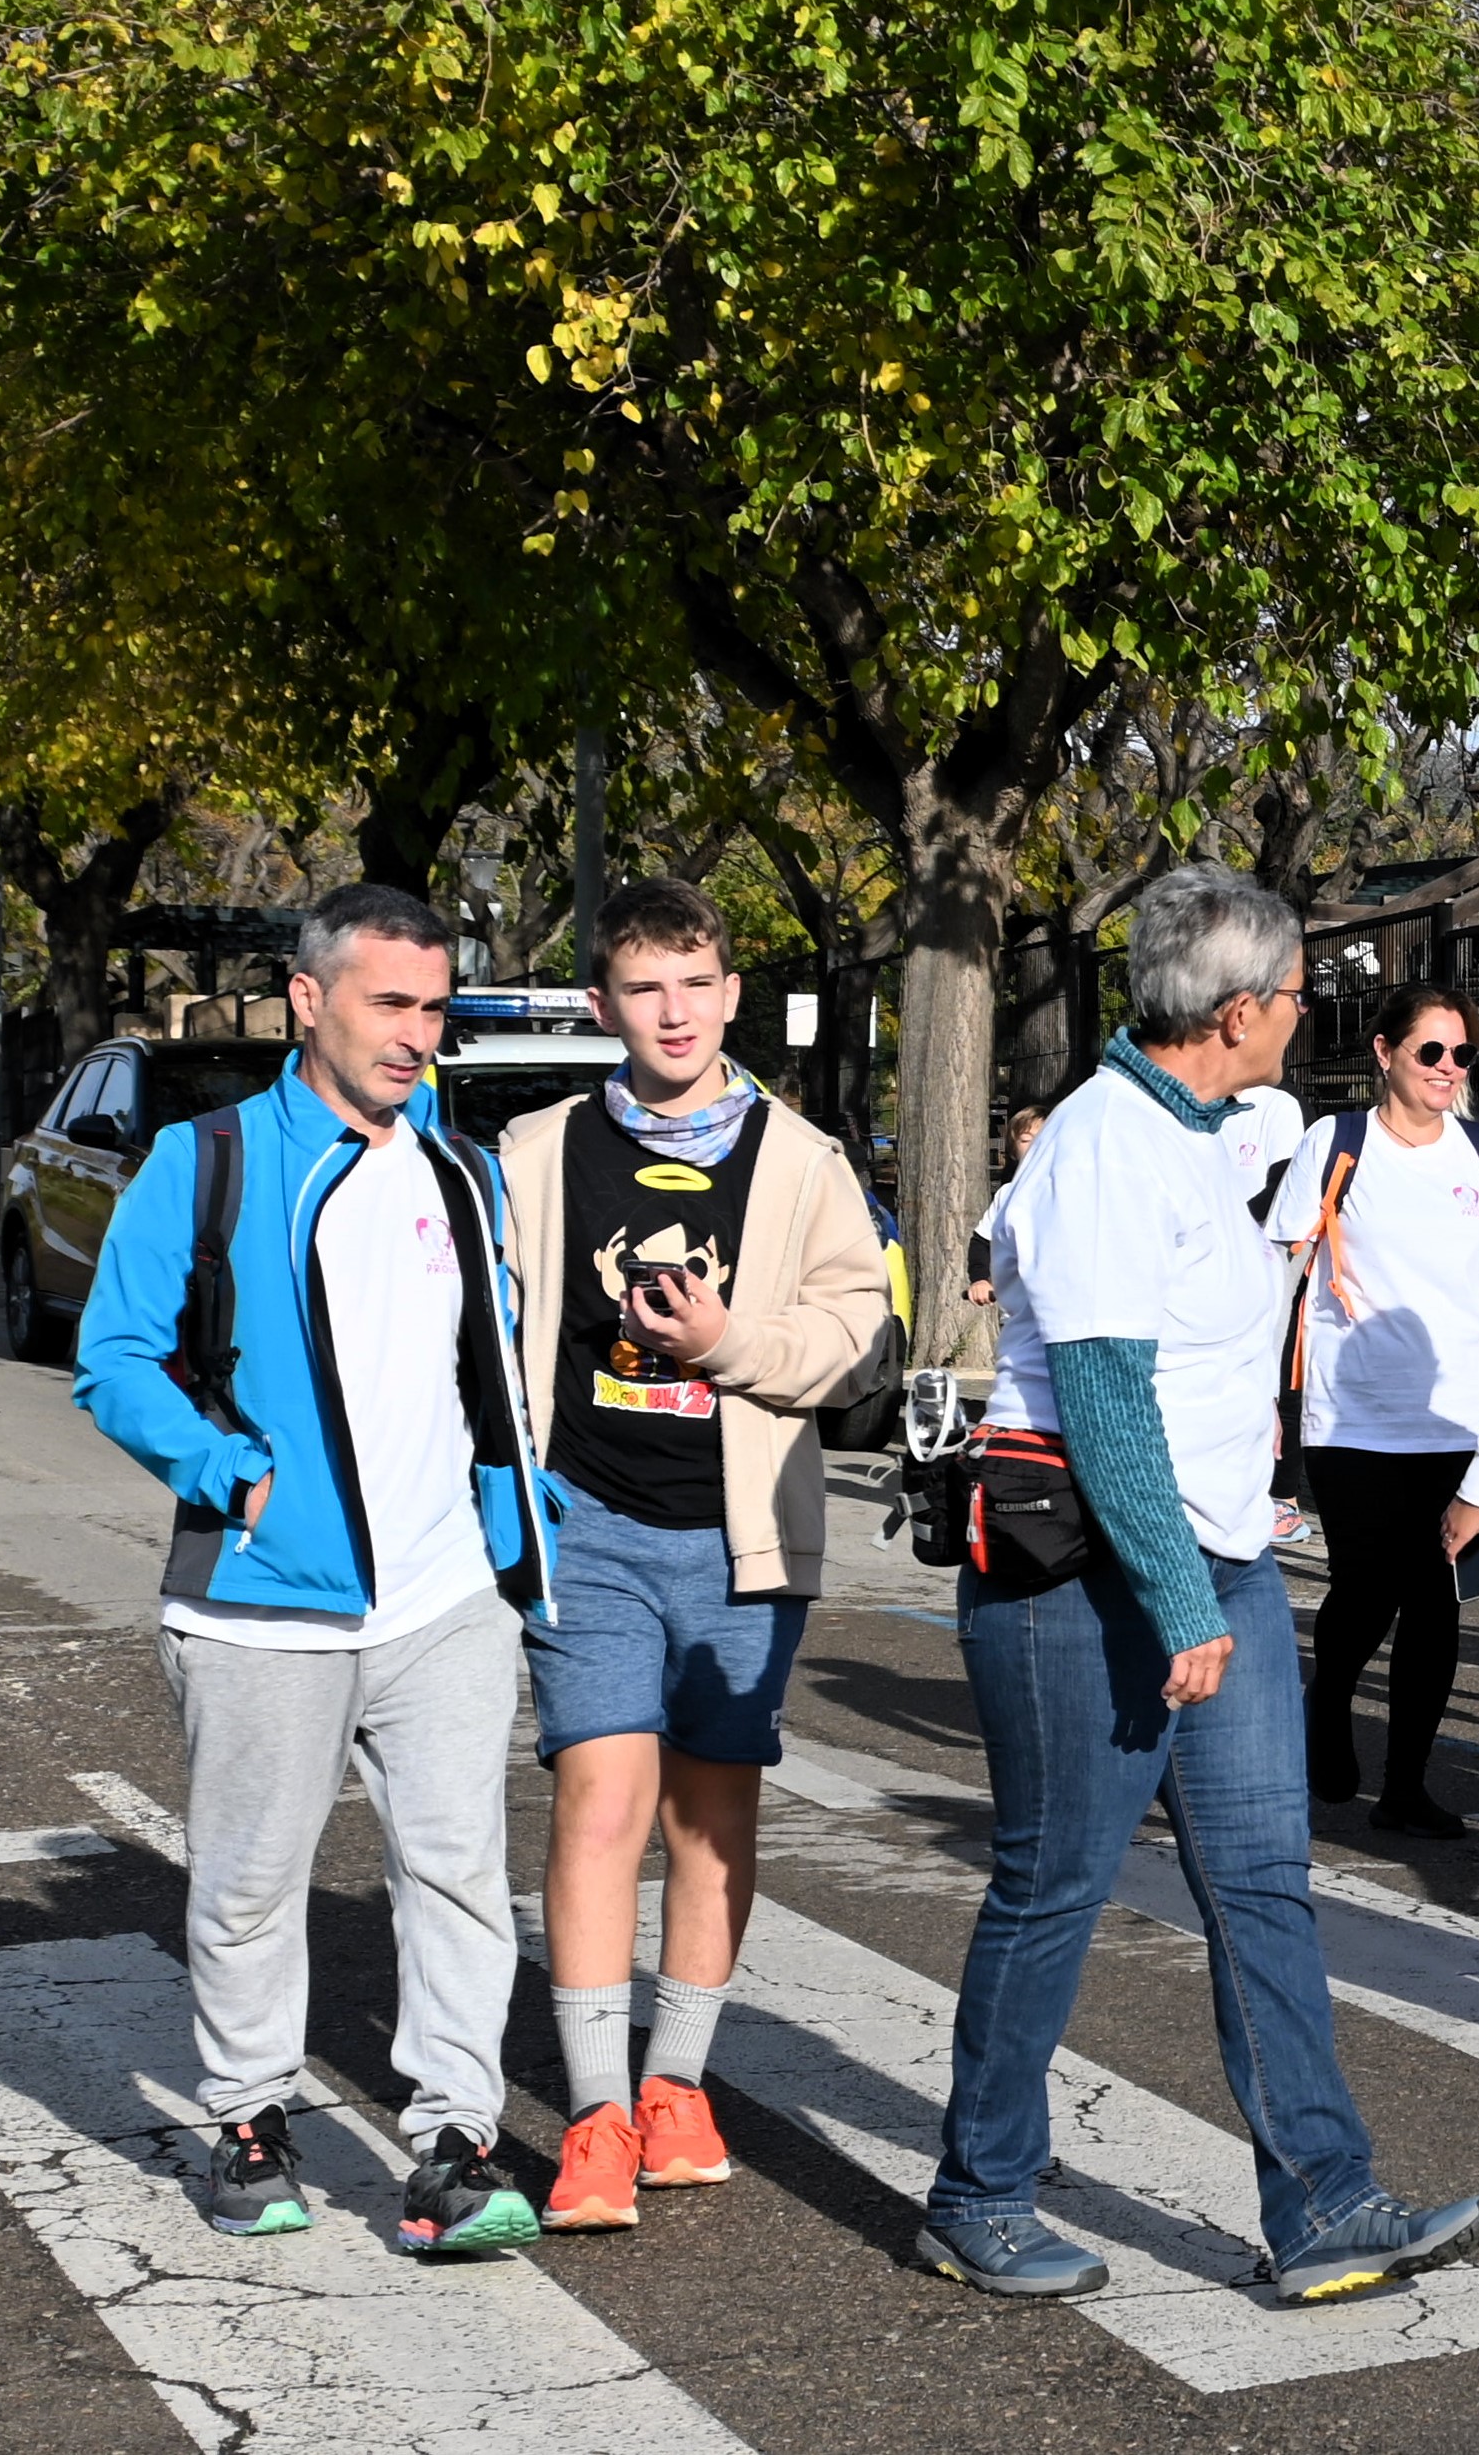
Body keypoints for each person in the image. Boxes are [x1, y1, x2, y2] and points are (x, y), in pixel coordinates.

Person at [926, 864, 1479, 2301]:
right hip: (1091, 1585)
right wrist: (1181, 1602)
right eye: (1296, 995)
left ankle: (1324, 2201)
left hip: (1208, 1565)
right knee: (1054, 1890)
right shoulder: (1110, 1144)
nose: (1307, 1016)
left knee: (1261, 1891)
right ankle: (978, 2191)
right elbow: (1106, 1401)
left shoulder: (1190, 1130)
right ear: (1235, 1010)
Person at [75, 883, 558, 2255]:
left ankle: (453, 2147)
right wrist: (233, 1471)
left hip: (445, 1595)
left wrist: (525, 1526)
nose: (420, 1033)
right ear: (311, 1000)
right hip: (261, 1604)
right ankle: (247, 2120)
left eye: (435, 1006)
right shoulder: (208, 1159)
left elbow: (490, 1381)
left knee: (459, 1873)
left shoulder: (460, 1173)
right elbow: (111, 1359)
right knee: (246, 1883)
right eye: (391, 1004)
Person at [499, 877, 899, 2231]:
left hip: (743, 1535)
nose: (672, 1012)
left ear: (731, 994)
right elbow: (487, 1327)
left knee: (711, 1821)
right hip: (587, 1524)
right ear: (604, 1003)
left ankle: (680, 2085)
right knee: (599, 1802)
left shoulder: (802, 1160)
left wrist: (726, 1346)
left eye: (695, 983)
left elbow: (855, 1333)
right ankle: (598, 2114)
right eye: (643, 988)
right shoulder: (539, 1149)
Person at [1266, 981, 1479, 1837]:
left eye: (1462, 1054)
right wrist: (1257, 1396)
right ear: (1384, 1054)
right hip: (1354, 1413)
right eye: (1431, 1052)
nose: (1449, 1069)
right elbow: (1281, 1272)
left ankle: (1408, 1786)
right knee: (1367, 1585)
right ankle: (1329, 1697)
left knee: (1436, 1598)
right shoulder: (1336, 1143)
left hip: (1459, 1417)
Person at [969, 1102, 1048, 1306]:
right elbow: (981, 1241)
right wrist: (980, 1280)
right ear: (1014, 1150)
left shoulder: (1075, 1191)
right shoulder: (1007, 1195)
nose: (1034, 1146)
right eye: (1025, 1140)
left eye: (1042, 1138)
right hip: (1019, 1313)